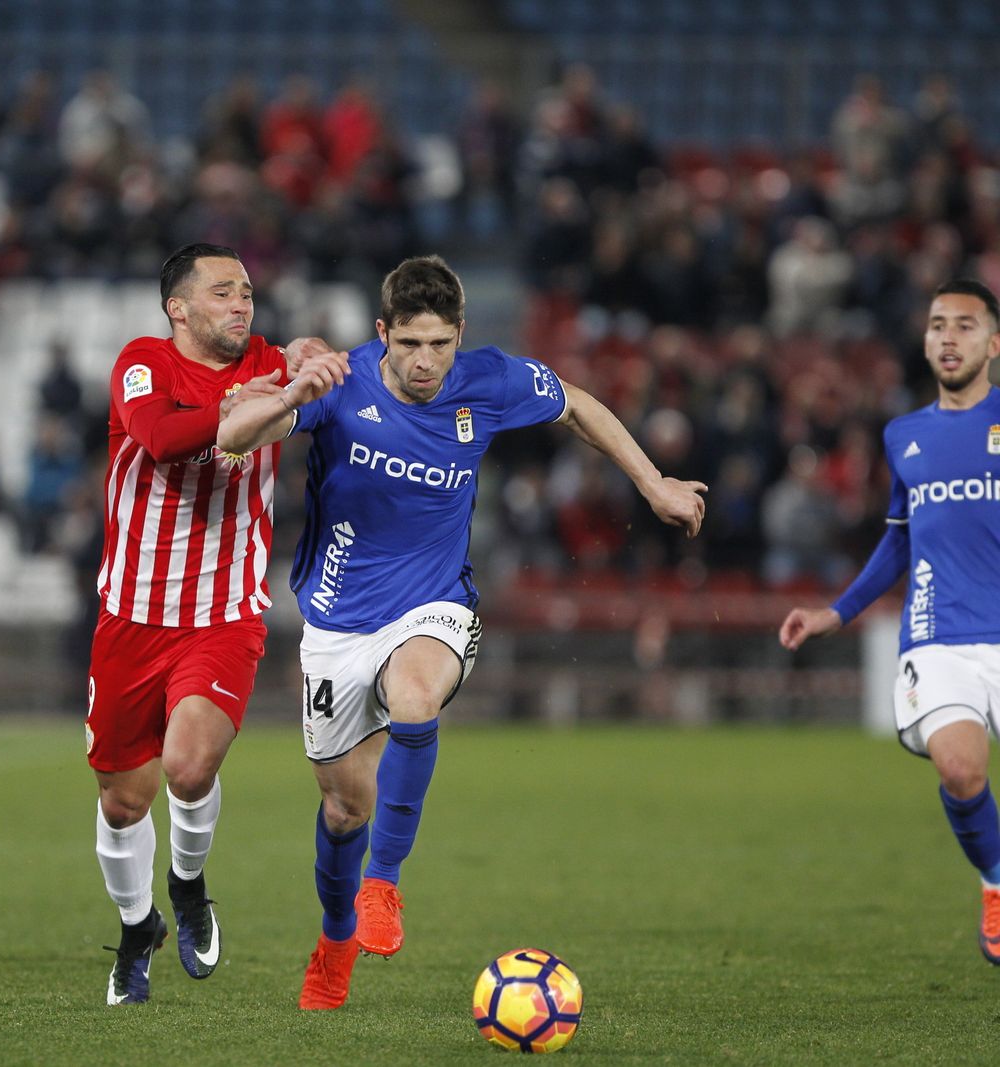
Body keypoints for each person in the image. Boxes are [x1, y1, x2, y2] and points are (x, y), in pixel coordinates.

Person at [216, 255, 706, 1009]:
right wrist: (285, 389)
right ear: (382, 333)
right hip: (339, 621)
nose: (425, 362)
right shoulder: (341, 383)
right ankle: (336, 934)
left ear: (460, 336)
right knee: (344, 807)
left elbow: (578, 406)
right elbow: (239, 437)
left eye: (440, 344)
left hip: (435, 604)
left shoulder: (491, 379)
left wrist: (654, 483)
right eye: (409, 343)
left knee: (416, 696)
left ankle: (385, 885)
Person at [88, 242, 347, 1005]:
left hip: (223, 613)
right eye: (225, 292)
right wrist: (244, 405)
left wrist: (304, 362)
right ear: (180, 308)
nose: (243, 304)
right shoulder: (143, 363)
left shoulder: (269, 358)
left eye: (248, 292)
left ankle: (189, 882)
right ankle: (139, 929)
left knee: (190, 767)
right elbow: (164, 439)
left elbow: (313, 363)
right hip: (132, 614)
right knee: (121, 802)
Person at [780, 279, 1000, 965]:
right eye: (938, 324)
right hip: (937, 634)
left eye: (964, 325)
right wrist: (835, 612)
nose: (948, 337)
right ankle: (997, 883)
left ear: (993, 343)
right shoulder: (903, 436)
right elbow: (901, 538)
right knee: (961, 768)